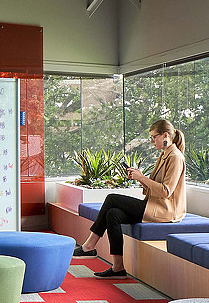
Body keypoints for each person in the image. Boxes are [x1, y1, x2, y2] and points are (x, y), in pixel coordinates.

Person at [74, 119, 187, 278]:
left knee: (112, 198)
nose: (152, 141)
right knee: (112, 214)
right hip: (153, 205)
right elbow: (154, 186)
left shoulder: (175, 157)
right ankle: (118, 268)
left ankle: (89, 245)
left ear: (166, 135)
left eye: (154, 137)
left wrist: (142, 177)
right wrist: (139, 178)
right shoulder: (164, 155)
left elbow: (166, 191)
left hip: (165, 211)